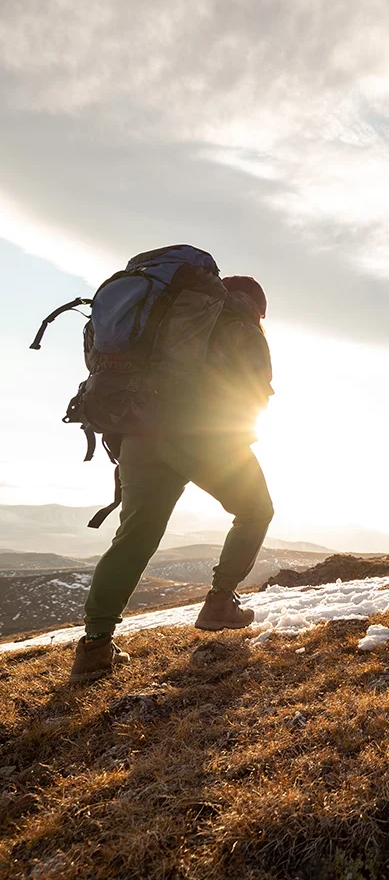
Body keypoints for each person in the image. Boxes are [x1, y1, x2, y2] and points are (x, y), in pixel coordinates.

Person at [69, 276, 275, 682]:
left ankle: (94, 645)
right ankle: (219, 604)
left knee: (135, 536)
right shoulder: (238, 321)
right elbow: (254, 390)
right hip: (201, 435)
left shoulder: (156, 323)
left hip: (137, 434)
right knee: (255, 510)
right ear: (255, 305)